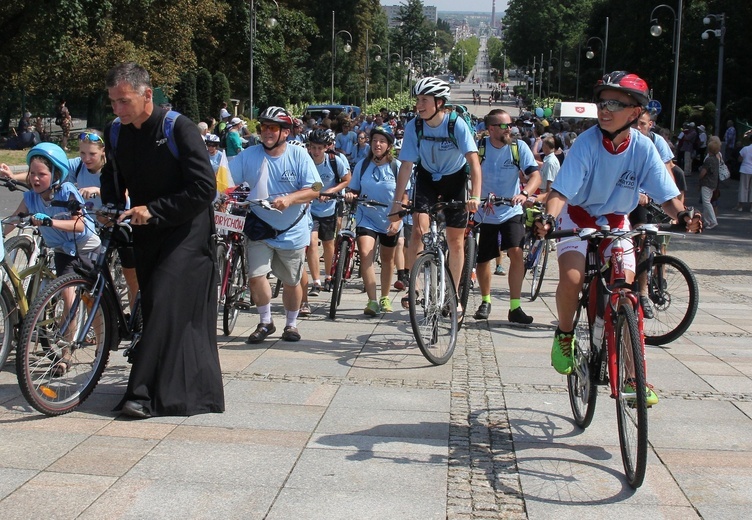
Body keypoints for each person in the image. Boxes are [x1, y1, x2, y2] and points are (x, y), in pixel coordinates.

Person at [537, 71, 702, 405]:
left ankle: (631, 376)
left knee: (626, 293)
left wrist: (683, 215)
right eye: (602, 101)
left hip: (616, 221)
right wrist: (548, 217)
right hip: (579, 217)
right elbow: (560, 192)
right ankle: (565, 334)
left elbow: (667, 196)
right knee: (571, 277)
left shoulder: (643, 148)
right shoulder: (586, 144)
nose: (604, 109)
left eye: (615, 103)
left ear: (635, 112)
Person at [100, 62, 224, 419]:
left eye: (124, 101)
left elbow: (204, 188)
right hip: (146, 228)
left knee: (165, 294)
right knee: (155, 304)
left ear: (147, 95)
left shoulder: (178, 128)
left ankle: (140, 394)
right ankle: (172, 386)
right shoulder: (117, 131)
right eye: (113, 102)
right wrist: (111, 205)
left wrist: (155, 210)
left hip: (187, 229)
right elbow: (112, 174)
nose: (118, 109)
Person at [229, 106, 321, 343]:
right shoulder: (248, 155)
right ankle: (266, 321)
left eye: (273, 128)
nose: (267, 132)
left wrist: (290, 199)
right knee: (256, 276)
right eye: (263, 127)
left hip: (292, 230)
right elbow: (228, 181)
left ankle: (291, 324)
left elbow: (316, 188)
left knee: (291, 281)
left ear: (286, 132)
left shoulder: (299, 155)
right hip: (260, 227)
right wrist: (225, 195)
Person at [391, 77, 481, 311]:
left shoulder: (455, 124)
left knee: (455, 241)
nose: (418, 105)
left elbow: (473, 162)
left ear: (439, 103)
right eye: (417, 100)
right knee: (418, 231)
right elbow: (406, 165)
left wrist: (476, 197)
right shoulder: (415, 126)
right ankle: (416, 286)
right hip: (427, 178)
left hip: (455, 179)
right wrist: (397, 201)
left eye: (424, 100)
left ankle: (453, 296)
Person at [472, 109, 541, 325]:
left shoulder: (518, 148)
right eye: (504, 126)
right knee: (483, 259)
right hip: (486, 211)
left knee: (516, 252)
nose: (509, 129)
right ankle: (485, 300)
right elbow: (467, 173)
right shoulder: (480, 148)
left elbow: (535, 176)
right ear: (491, 129)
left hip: (511, 209)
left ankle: (515, 306)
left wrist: (525, 193)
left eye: (510, 125)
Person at [346, 127, 404, 315]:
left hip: (390, 217)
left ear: (389, 146)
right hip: (366, 215)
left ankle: (385, 297)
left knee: (388, 259)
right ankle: (372, 300)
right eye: (374, 140)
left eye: (382, 141)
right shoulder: (363, 165)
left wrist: (397, 219)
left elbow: (405, 197)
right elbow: (354, 189)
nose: (377, 144)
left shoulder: (397, 167)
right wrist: (350, 194)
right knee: (365, 252)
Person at [306, 129, 351, 294]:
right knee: (311, 242)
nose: (316, 151)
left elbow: (347, 180)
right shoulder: (305, 160)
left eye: (319, 148)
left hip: (329, 208)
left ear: (326, 147)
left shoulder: (334, 161)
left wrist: (332, 191)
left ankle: (329, 276)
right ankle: (316, 281)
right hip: (310, 209)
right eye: (313, 148)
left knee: (328, 244)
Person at [698, 136, 721, 229]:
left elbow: (703, 172)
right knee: (706, 202)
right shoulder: (716, 159)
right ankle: (706, 220)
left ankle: (713, 220)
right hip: (713, 183)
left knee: (706, 202)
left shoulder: (708, 160)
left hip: (707, 183)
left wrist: (699, 178)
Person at [738, 139, 752, 212]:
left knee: (743, 187)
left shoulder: (745, 149)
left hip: (745, 169)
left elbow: (740, 159)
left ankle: (740, 206)